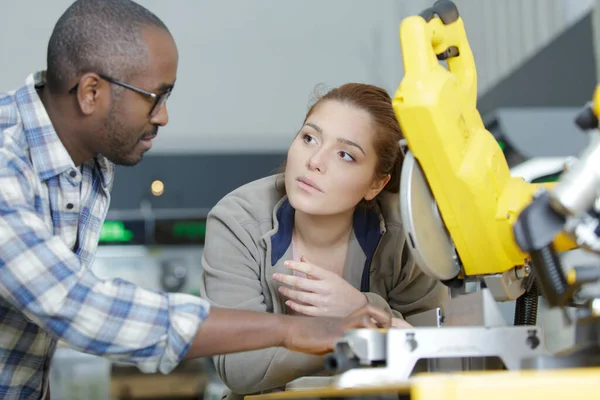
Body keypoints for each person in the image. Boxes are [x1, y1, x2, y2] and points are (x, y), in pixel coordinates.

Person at [0, 1, 391, 399]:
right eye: (155, 96)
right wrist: (295, 329)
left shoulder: (88, 164)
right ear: (91, 92)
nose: (164, 116)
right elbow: (79, 309)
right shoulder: (5, 161)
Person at [199, 82, 449, 399]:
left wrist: (361, 306)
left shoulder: (406, 232)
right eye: (309, 138)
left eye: (345, 154)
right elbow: (240, 369)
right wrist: (348, 332)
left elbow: (439, 360)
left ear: (376, 183)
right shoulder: (237, 221)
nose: (315, 160)